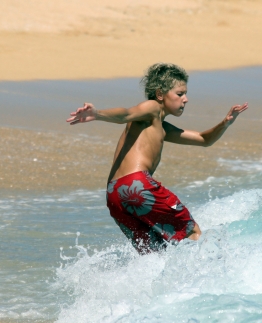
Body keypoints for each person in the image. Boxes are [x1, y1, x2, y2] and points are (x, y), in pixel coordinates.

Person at [67, 63, 248, 254]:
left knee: (156, 254)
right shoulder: (152, 108)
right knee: (192, 232)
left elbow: (204, 139)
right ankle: (213, 267)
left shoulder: (161, 127)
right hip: (137, 185)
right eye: (180, 94)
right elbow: (126, 114)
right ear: (160, 94)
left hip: (115, 195)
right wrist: (97, 114)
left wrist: (225, 123)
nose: (185, 99)